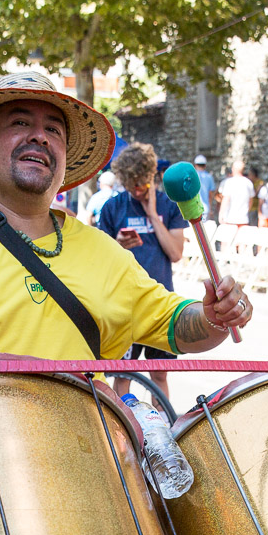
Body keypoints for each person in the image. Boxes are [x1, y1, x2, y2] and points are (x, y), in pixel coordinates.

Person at [0, 71, 250, 375]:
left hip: (84, 467)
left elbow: (177, 326)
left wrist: (214, 317)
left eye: (54, 130)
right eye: (19, 123)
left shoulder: (104, 253)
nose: (40, 137)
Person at [99, 141, 188, 406]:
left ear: (152, 176)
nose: (137, 190)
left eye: (142, 183)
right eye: (131, 185)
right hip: (124, 304)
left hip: (160, 303)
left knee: (159, 375)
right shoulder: (113, 207)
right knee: (122, 374)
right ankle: (121, 433)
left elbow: (175, 253)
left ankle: (163, 429)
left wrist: (152, 215)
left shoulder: (169, 206)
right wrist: (117, 244)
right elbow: (100, 260)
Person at [216, 159, 253, 226]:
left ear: (233, 169)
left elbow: (226, 199)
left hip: (230, 218)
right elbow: (251, 201)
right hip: (243, 219)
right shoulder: (248, 183)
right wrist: (246, 211)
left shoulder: (229, 182)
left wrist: (221, 214)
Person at [193, 153, 216, 220]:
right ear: (205, 165)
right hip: (205, 209)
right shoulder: (209, 177)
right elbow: (210, 195)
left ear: (195, 165)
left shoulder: (192, 177)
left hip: (193, 209)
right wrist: (210, 208)